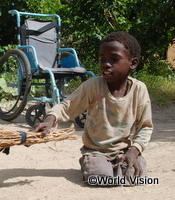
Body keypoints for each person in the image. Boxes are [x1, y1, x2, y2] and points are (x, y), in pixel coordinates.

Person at [30, 31, 153, 186]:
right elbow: (67, 106)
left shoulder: (139, 90)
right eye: (102, 59)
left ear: (133, 63)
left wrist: (134, 151)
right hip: (96, 152)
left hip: (124, 150)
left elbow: (145, 127)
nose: (106, 64)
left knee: (137, 175)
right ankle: (95, 165)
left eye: (114, 59)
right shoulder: (93, 86)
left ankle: (119, 166)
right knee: (102, 178)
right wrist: (49, 120)